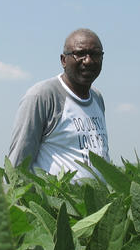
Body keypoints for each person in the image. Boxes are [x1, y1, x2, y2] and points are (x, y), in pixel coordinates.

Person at [8, 28, 110, 181]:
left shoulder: (97, 97)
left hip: (97, 203)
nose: (88, 61)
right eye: (80, 54)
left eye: (95, 54)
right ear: (63, 60)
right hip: (56, 202)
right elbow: (19, 163)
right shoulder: (42, 96)